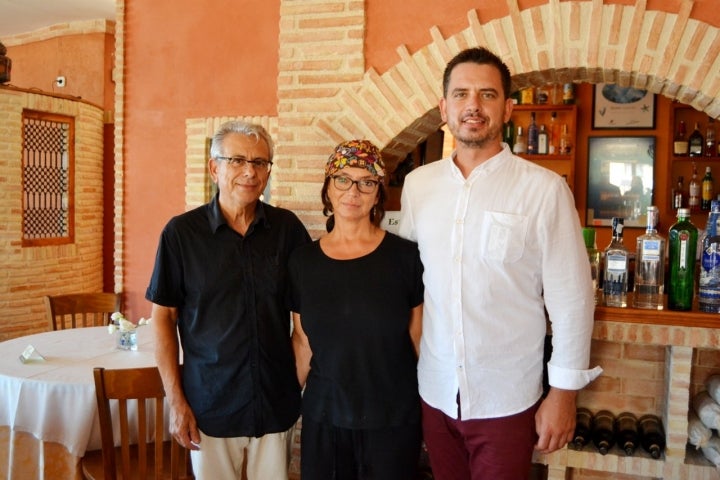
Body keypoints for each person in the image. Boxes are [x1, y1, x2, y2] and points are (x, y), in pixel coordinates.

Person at [398, 47, 602, 480]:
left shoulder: (544, 191)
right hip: (433, 391)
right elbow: (413, 286)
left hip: (506, 398)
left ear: (508, 108)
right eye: (461, 94)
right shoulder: (418, 187)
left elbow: (572, 299)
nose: (473, 105)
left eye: (487, 94)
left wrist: (563, 393)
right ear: (443, 108)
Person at [146, 120, 311, 479]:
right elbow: (163, 319)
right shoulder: (181, 234)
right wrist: (176, 403)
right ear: (214, 168)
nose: (249, 172)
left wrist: (290, 384)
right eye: (236, 160)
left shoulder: (288, 231)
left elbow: (305, 324)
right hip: (209, 408)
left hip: (273, 408)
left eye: (260, 162)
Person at [288, 139, 424, 479]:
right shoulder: (302, 262)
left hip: (393, 419)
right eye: (343, 179)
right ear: (328, 188)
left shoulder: (406, 258)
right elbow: (303, 341)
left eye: (366, 182)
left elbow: (419, 340)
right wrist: (285, 405)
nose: (353, 191)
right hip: (324, 418)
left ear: (378, 193)